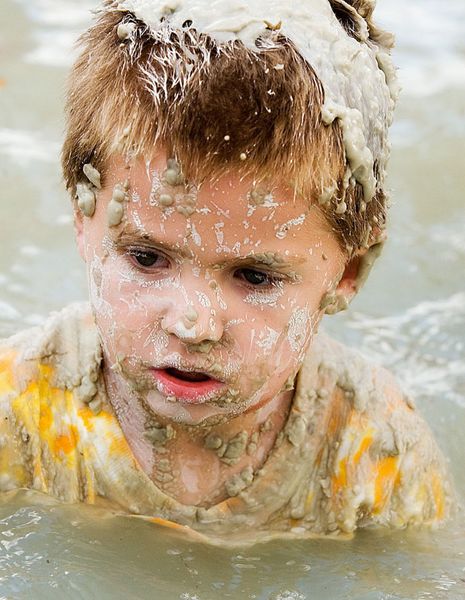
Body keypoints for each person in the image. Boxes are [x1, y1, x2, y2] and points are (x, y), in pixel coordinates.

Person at [0, 0, 452, 544]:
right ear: (82, 221)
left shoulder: (372, 448)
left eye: (254, 276)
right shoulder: (18, 412)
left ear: (348, 272)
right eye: (147, 258)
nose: (193, 325)